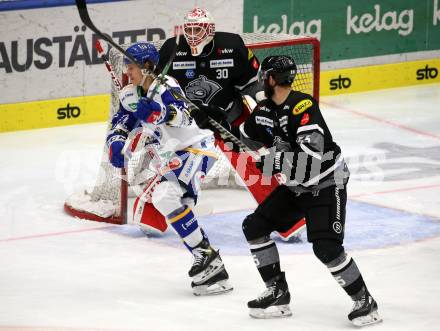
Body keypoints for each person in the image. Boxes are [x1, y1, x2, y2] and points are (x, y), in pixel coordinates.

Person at [239, 55, 382, 326]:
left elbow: (310, 164)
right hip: (296, 186)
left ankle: (365, 300)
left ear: (270, 79)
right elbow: (245, 134)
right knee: (254, 226)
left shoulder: (303, 107)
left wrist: (270, 161)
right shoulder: (265, 110)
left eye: (263, 77)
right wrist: (212, 120)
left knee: (326, 248)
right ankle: (277, 293)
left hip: (326, 183)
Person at [154, 6, 306, 241]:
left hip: (228, 117)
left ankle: (287, 219)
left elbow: (253, 85)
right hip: (185, 123)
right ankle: (151, 216)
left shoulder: (232, 46)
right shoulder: (171, 49)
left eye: (199, 28)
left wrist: (264, 107)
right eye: (189, 28)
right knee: (169, 163)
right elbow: (157, 88)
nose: (193, 34)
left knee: (254, 163)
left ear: (210, 31)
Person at [106, 41, 233, 296]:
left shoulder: (167, 86)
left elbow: (183, 114)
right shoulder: (130, 94)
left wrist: (157, 113)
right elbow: (120, 123)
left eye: (131, 66)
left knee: (166, 195)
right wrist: (117, 142)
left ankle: (206, 256)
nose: (128, 71)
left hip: (196, 147)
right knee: (173, 203)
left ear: (147, 66)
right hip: (171, 154)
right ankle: (212, 267)